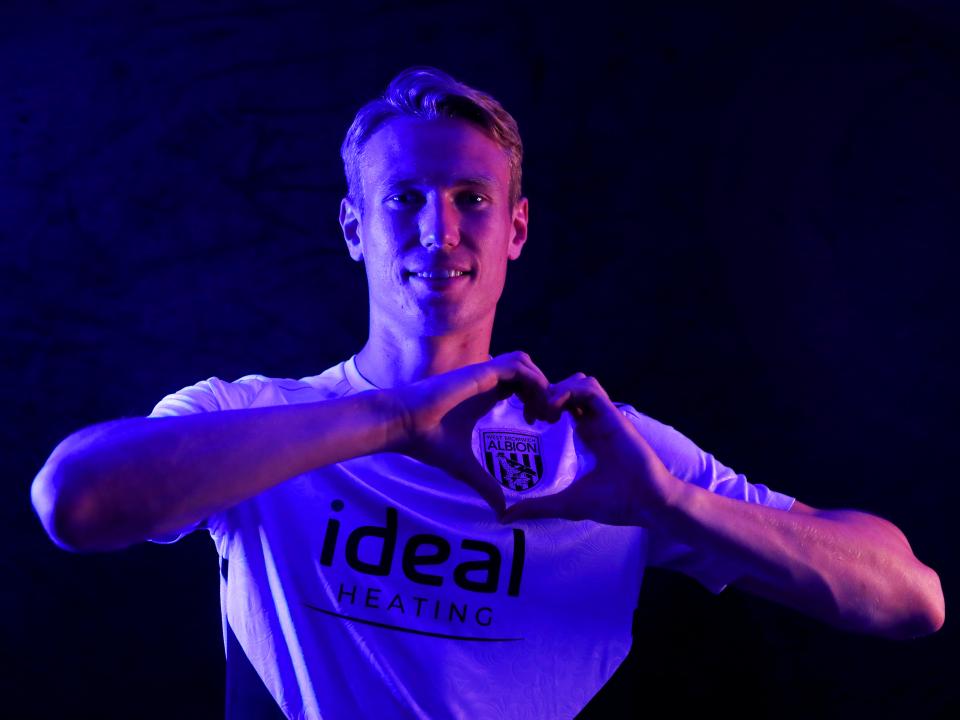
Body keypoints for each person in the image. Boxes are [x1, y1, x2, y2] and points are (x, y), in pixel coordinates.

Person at [31, 66, 944, 719]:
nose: (438, 229)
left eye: (471, 198)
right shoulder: (258, 426)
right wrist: (390, 421)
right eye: (402, 200)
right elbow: (74, 500)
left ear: (515, 229)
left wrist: (669, 502)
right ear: (354, 228)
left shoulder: (604, 454)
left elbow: (910, 599)